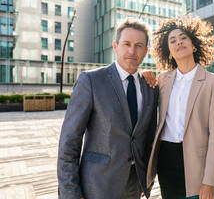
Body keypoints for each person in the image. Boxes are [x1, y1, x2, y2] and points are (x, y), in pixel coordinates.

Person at [57, 18, 158, 199]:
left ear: (146, 52)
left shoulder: (150, 87)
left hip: (135, 186)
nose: (132, 51)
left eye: (139, 45)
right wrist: (70, 191)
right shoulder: (91, 81)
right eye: (126, 44)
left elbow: (148, 138)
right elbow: (69, 140)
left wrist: (147, 177)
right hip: (97, 185)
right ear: (115, 46)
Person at [143, 16, 214, 199]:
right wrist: (144, 73)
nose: (178, 42)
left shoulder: (213, 82)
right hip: (166, 159)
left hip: (197, 164)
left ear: (194, 45)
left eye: (183, 38)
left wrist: (210, 181)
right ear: (169, 52)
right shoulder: (163, 79)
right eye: (173, 41)